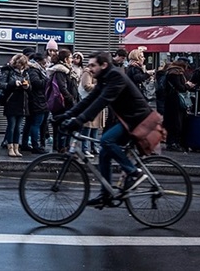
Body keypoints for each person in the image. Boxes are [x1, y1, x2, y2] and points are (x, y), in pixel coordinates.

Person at [57, 52, 153, 208]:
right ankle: (105, 195)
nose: (89, 68)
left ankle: (134, 172)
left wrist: (79, 120)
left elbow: (102, 102)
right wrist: (65, 115)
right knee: (104, 153)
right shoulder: (104, 78)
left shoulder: (116, 76)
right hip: (127, 118)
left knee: (106, 140)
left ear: (104, 65)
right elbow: (90, 99)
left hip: (138, 119)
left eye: (93, 65)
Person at [47, 49, 78, 153]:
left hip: (67, 103)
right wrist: (71, 98)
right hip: (63, 104)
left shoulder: (68, 70)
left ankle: (62, 147)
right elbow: (62, 87)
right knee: (62, 126)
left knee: (63, 125)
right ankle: (61, 148)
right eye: (70, 57)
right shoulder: (61, 70)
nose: (72, 60)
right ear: (65, 59)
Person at [0, 54, 30, 157]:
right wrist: (13, 83)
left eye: (23, 64)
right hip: (11, 101)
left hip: (22, 103)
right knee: (11, 126)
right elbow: (1, 84)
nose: (21, 66)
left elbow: (30, 88)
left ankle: (17, 147)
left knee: (18, 127)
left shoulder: (25, 73)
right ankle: (10, 147)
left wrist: (27, 86)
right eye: (19, 64)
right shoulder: (8, 71)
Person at [77, 53, 104, 157]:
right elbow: (87, 86)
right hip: (89, 102)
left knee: (96, 127)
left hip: (96, 102)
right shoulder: (87, 73)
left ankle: (94, 147)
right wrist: (98, 86)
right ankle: (85, 148)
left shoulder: (100, 74)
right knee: (87, 126)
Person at [162, 58, 191, 152]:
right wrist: (188, 85)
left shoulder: (170, 71)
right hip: (175, 101)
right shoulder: (176, 73)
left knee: (172, 122)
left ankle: (172, 142)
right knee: (176, 123)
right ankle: (173, 143)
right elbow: (180, 87)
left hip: (170, 101)